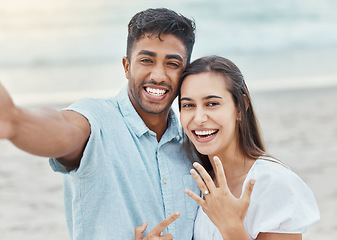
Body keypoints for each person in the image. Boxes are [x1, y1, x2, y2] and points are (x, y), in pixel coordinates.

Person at [0, 8, 200, 239]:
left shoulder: (193, 142)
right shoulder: (95, 120)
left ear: (185, 73)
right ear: (127, 67)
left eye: (172, 64)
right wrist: (15, 121)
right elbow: (62, 129)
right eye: (146, 60)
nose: (158, 75)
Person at [178, 56, 320, 239]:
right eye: (188, 105)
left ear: (240, 107)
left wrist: (232, 228)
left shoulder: (273, 183)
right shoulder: (198, 181)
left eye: (212, 104)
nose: (198, 118)